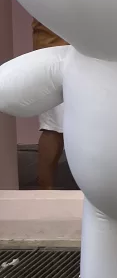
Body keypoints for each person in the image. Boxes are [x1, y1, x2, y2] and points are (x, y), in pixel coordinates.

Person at [31, 18, 67, 189]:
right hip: (56, 57)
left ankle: (46, 190)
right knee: (53, 130)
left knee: (53, 128)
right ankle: (45, 190)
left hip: (58, 56)